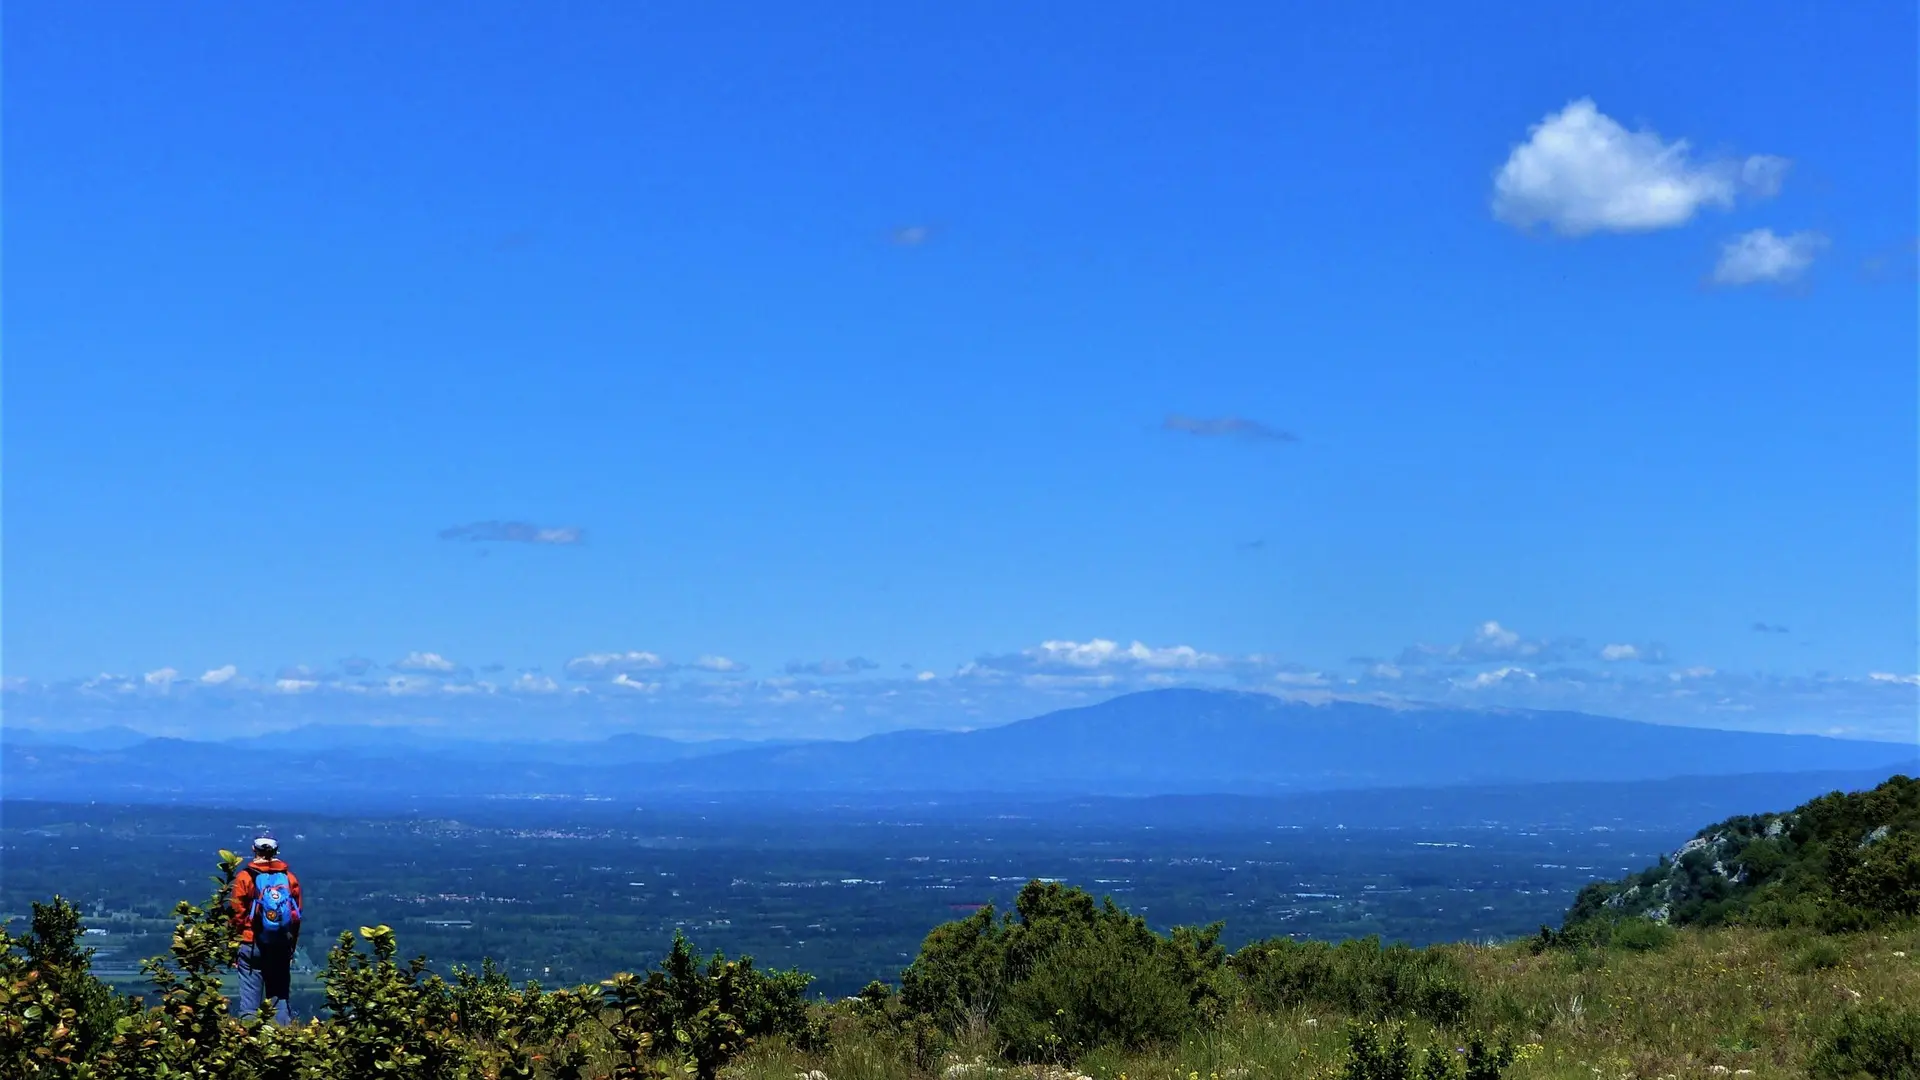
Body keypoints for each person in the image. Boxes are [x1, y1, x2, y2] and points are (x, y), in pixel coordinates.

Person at [229, 831, 303, 1023]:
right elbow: (295, 916)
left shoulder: (245, 877)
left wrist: (234, 943)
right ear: (276, 851)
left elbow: (237, 914)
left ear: (254, 850)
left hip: (251, 942)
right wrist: (291, 945)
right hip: (280, 943)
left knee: (249, 1004)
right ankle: (283, 1041)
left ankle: (248, 1042)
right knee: (279, 998)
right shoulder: (289, 879)